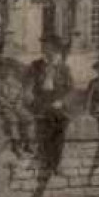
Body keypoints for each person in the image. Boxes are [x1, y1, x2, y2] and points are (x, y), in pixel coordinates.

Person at [27, 34, 73, 178]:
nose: (48, 50)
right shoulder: (36, 65)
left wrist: (61, 101)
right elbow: (28, 85)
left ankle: (55, 163)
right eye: (45, 47)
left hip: (57, 102)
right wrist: (29, 95)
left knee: (62, 122)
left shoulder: (64, 68)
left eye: (51, 48)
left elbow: (70, 89)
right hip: (41, 101)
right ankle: (46, 161)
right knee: (45, 122)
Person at [0, 61, 33, 155]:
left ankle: (28, 143)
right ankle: (16, 146)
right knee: (13, 120)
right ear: (1, 70)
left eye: (9, 70)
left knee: (29, 119)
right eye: (5, 69)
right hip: (4, 107)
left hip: (17, 106)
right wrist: (7, 104)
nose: (7, 72)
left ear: (12, 71)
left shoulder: (16, 83)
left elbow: (21, 95)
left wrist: (18, 104)